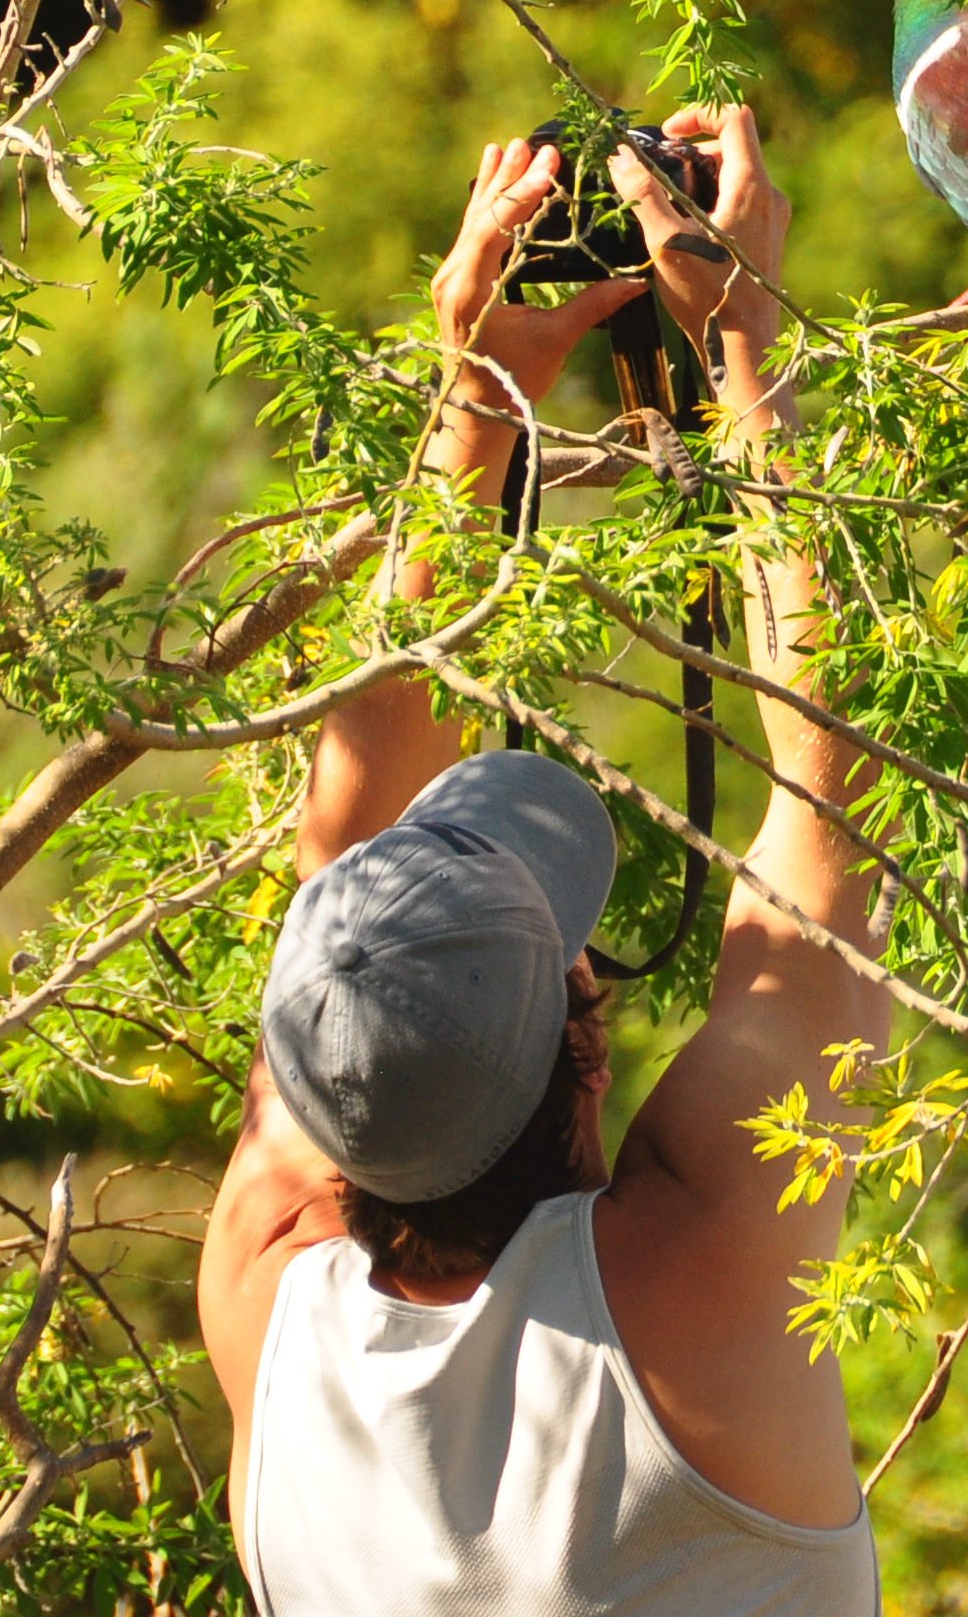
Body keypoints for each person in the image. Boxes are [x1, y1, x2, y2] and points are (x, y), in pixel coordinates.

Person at [196, 105, 888, 1616]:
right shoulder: (686, 1295)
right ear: (587, 1042)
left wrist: (482, 391)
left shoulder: (266, 1291)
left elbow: (348, 882)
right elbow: (828, 810)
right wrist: (742, 346)